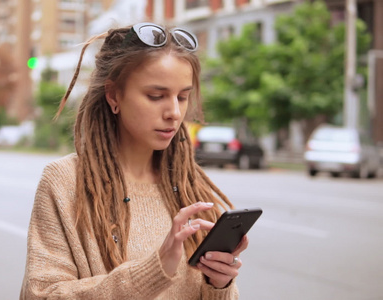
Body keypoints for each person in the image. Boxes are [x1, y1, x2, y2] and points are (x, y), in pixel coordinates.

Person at [20, 22, 249, 299]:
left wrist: (219, 286)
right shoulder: (64, 181)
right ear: (114, 95)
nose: (174, 113)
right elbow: (40, 295)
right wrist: (153, 270)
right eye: (156, 96)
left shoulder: (190, 186)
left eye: (183, 97)